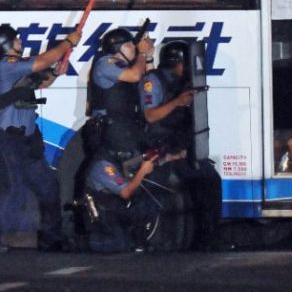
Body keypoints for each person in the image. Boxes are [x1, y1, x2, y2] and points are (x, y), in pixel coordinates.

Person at [0, 23, 82, 253]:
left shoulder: (17, 70)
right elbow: (43, 61)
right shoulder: (5, 67)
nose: (20, 42)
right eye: (16, 39)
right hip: (6, 141)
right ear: (6, 45)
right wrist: (68, 42)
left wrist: (55, 72)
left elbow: (41, 82)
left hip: (27, 140)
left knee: (48, 187)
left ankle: (51, 237)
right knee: (14, 189)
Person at [138, 40, 222, 249]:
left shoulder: (184, 82)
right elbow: (150, 116)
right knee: (162, 190)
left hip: (181, 146)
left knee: (210, 180)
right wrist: (177, 102)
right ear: (177, 62)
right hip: (160, 147)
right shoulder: (153, 81)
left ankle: (207, 238)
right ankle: (149, 238)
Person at [88, 27, 155, 158]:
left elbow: (150, 83)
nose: (134, 48)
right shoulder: (106, 63)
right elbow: (135, 76)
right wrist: (142, 54)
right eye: (129, 45)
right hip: (111, 132)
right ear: (117, 48)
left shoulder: (130, 66)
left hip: (127, 127)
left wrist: (149, 57)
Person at [83, 144, 159, 253]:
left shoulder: (116, 159)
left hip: (115, 208)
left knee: (147, 204)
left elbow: (128, 166)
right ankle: (84, 241)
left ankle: (138, 240)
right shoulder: (104, 165)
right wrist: (143, 171)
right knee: (119, 244)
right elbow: (125, 193)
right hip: (102, 212)